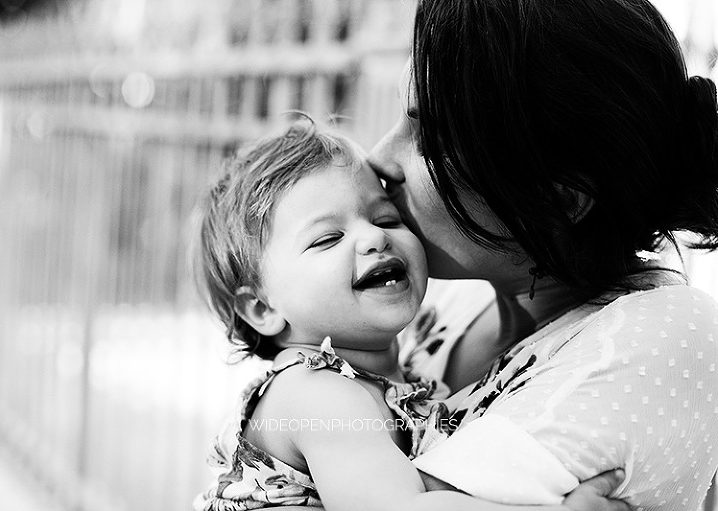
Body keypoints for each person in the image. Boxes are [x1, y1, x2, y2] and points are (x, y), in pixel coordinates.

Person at [366, 0, 718, 508]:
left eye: (431, 138)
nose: (379, 157)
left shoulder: (666, 334)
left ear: (559, 200)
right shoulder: (451, 300)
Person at [190, 118, 628, 511]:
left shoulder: (396, 377)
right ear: (263, 308)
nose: (373, 239)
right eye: (327, 239)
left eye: (386, 219)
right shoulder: (315, 394)